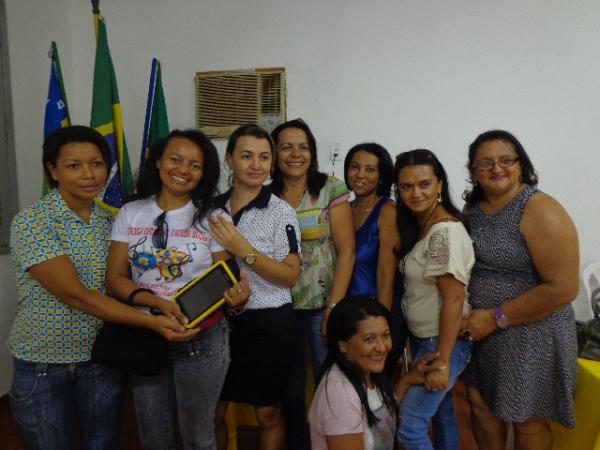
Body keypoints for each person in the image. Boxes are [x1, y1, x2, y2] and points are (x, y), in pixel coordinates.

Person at [8, 125, 195, 450]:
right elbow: (77, 296)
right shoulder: (33, 221)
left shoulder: (114, 218)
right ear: (52, 170)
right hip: (44, 366)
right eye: (73, 165)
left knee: (103, 442)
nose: (88, 174)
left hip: (102, 359)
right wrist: (153, 321)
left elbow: (131, 279)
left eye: (96, 163)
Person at [106, 129, 249, 450]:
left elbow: (225, 278)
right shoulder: (130, 213)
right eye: (175, 159)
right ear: (157, 161)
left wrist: (238, 294)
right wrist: (155, 303)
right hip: (145, 333)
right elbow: (115, 278)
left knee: (199, 438)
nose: (184, 170)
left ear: (204, 174)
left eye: (195, 165)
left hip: (202, 336)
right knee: (155, 438)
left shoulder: (213, 217)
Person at [460, 130, 578, 450]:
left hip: (531, 331)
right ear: (472, 171)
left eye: (506, 160)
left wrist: (496, 317)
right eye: (485, 163)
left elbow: (563, 288)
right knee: (480, 405)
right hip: (483, 330)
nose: (496, 168)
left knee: (527, 419)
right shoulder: (473, 209)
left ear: (521, 164)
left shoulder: (539, 209)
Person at [211, 124, 301, 450]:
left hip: (270, 325)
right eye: (246, 156)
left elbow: (289, 275)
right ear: (229, 158)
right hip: (218, 323)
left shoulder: (281, 211)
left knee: (267, 414)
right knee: (212, 412)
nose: (256, 164)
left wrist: (241, 247)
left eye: (264, 157)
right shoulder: (211, 210)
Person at [270, 119, 355, 450]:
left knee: (328, 383)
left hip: (323, 305)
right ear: (275, 153)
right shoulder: (266, 194)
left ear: (312, 152)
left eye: (303, 146)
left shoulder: (330, 188)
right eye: (286, 146)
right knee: (289, 388)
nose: (295, 153)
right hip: (279, 306)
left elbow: (347, 252)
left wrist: (334, 306)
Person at [394, 149, 474, 450]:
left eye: (424, 184)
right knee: (442, 415)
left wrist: (441, 360)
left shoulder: (443, 233)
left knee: (410, 425)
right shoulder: (424, 225)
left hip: (440, 344)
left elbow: (453, 299)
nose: (415, 193)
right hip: (426, 340)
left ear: (439, 184)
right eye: (406, 187)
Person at [308, 296, 440, 450]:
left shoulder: (365, 371)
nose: (382, 347)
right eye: (369, 339)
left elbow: (380, 416)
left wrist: (406, 381)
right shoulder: (340, 397)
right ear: (342, 344)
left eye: (385, 335)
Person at [344, 142, 408, 377]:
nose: (360, 174)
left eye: (370, 169)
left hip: (378, 312)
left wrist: (382, 323)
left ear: (382, 176)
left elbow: (386, 273)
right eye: (355, 167)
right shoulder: (344, 209)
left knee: (377, 387)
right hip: (349, 314)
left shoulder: (387, 210)